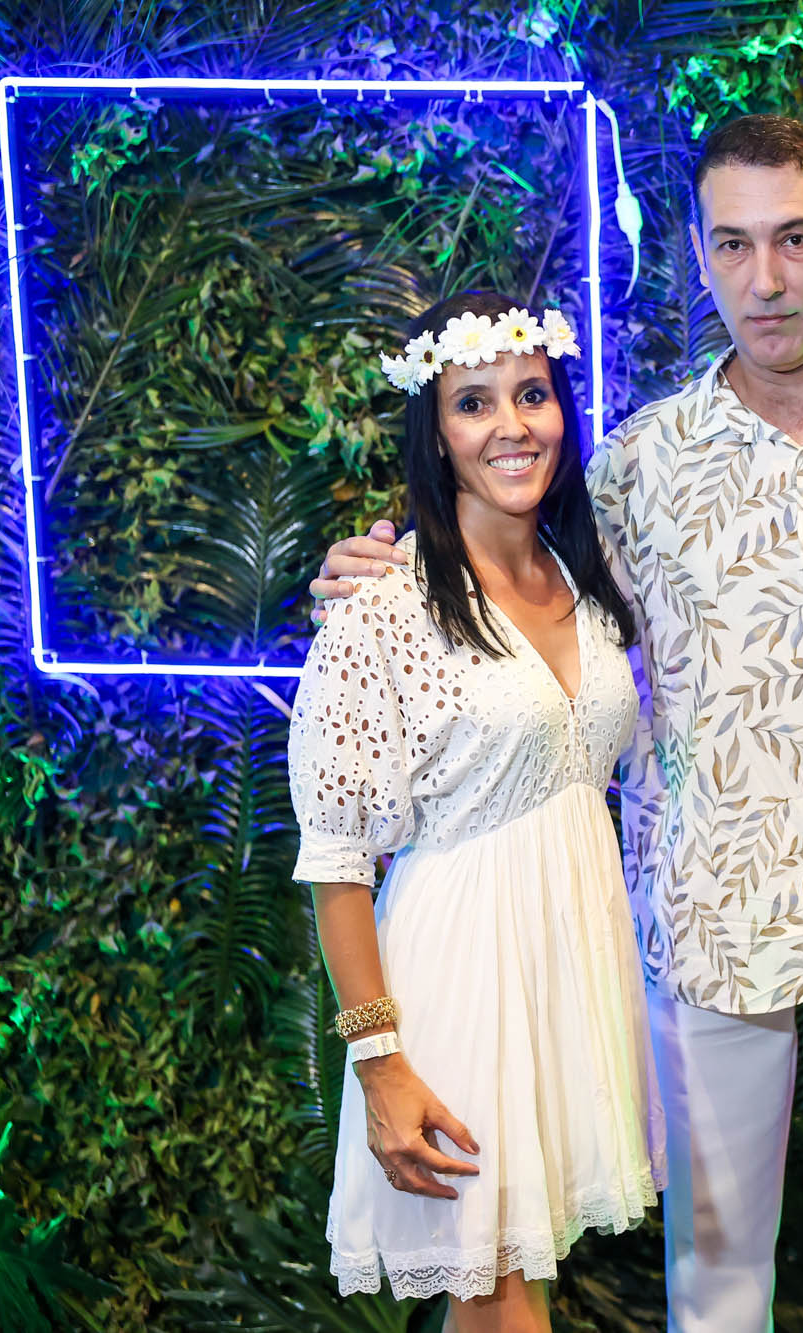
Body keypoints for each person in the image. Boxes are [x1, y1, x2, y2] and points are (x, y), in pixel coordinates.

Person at [311, 116, 803, 1332]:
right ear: (697, 252)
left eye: (793, 239)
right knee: (712, 1279)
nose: (764, 278)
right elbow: (502, 573)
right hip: (702, 915)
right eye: (732, 244)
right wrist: (377, 565)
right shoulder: (637, 462)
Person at [288, 291, 661, 1331]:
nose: (510, 426)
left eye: (531, 394)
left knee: (506, 1298)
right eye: (473, 402)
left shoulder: (585, 575)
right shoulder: (385, 603)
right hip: (459, 984)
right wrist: (380, 1063)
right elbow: (335, 859)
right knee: (502, 1304)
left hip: (567, 976)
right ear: (436, 432)